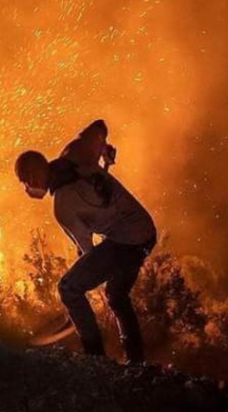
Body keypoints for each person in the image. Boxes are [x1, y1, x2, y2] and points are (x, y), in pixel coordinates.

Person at [15, 120, 157, 364]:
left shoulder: (63, 207)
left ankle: (95, 358)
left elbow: (89, 254)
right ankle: (136, 362)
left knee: (69, 289)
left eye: (24, 182)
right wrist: (104, 151)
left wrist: (78, 301)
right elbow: (99, 126)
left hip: (127, 241)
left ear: (32, 178)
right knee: (116, 295)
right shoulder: (75, 152)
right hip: (146, 231)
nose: (26, 189)